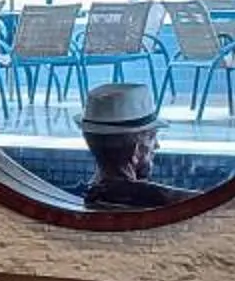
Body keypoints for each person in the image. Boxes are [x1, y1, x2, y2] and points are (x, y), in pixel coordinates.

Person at [78, 82, 184, 211]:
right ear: (136, 150)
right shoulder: (161, 201)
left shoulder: (84, 194)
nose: (157, 145)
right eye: (152, 138)